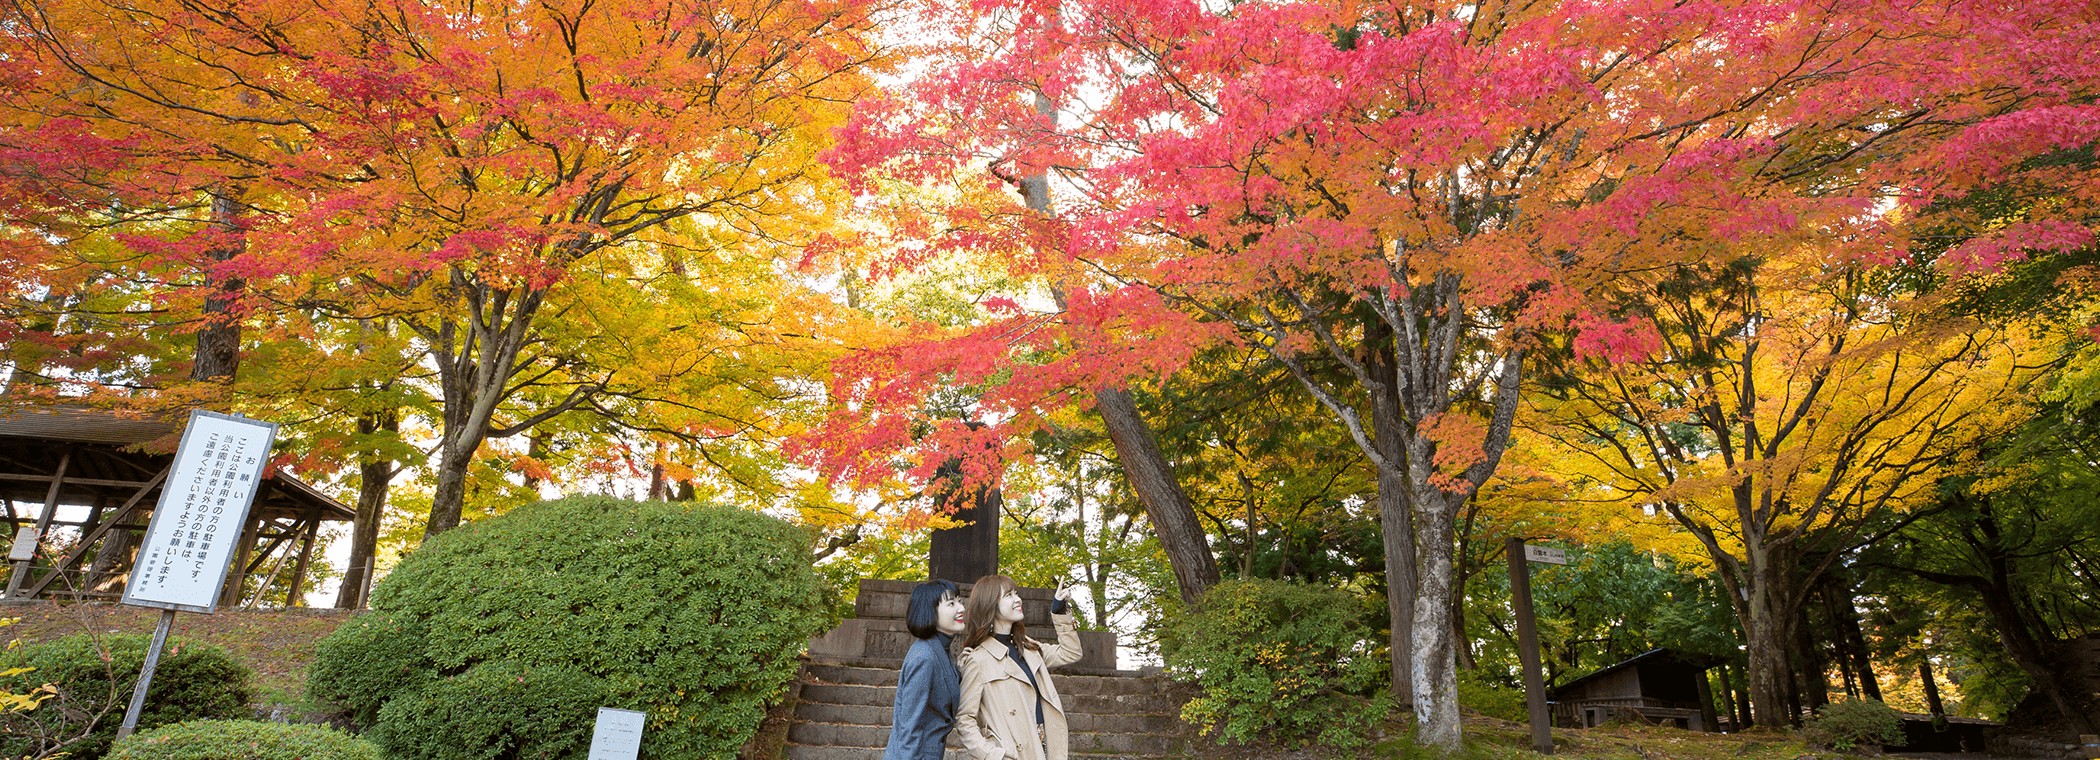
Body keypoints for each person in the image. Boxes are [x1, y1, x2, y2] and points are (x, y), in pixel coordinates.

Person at [953, 574, 1081, 760]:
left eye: (1017, 593)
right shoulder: (978, 659)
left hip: (1046, 746)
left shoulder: (1029, 647)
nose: (1018, 599)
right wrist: (992, 755)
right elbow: (964, 719)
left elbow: (1071, 652)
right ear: (990, 605)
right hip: (1013, 752)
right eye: (1008, 595)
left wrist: (1059, 611)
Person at [884, 579, 968, 760]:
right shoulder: (924, 657)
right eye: (951, 603)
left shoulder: (940, 649)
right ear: (931, 611)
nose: (961, 608)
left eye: (959, 601)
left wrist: (961, 669)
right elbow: (909, 728)